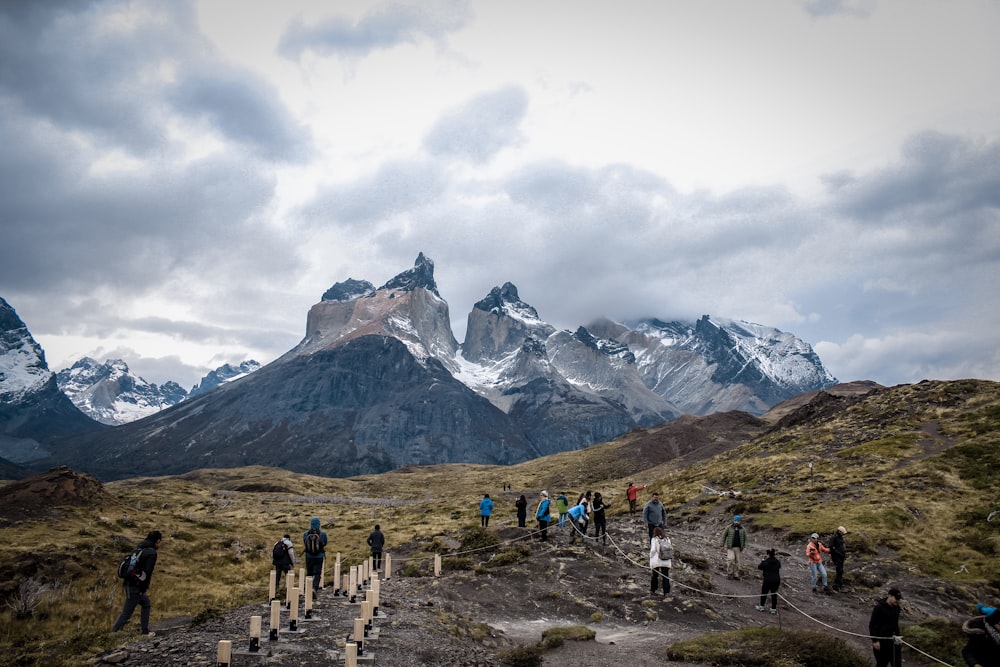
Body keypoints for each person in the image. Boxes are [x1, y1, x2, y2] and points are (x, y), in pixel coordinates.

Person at [112, 530, 162, 636]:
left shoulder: (139, 548)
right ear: (157, 541)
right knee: (127, 612)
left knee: (146, 603)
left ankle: (145, 630)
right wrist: (143, 589)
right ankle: (113, 633)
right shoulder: (151, 553)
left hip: (130, 583)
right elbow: (146, 573)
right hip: (135, 586)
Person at [869, 588, 903, 667]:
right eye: (896, 599)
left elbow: (895, 624)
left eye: (899, 599)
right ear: (889, 596)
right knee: (882, 664)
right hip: (882, 642)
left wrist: (898, 637)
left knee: (897, 664)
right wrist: (875, 641)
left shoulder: (897, 608)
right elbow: (873, 625)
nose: (897, 601)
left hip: (894, 641)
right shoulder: (879, 608)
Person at [302, 517, 328, 594]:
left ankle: (307, 589)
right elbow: (325, 543)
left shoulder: (306, 533)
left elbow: (305, 543)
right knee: (317, 573)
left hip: (308, 556)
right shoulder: (323, 533)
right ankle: (314, 588)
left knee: (309, 573)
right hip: (319, 556)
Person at [721, 515, 748, 579]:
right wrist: (722, 545)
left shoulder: (742, 529)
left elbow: (746, 539)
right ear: (733, 520)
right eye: (735, 520)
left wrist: (745, 547)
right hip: (730, 547)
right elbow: (723, 536)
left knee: (737, 561)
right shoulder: (729, 527)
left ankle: (736, 575)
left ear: (740, 521)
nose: (736, 522)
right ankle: (730, 573)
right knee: (731, 559)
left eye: (738, 521)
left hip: (738, 548)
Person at [755, 548, 781, 614]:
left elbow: (759, 567)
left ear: (768, 554)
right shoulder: (777, 562)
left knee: (764, 593)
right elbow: (779, 566)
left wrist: (763, 561)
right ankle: (773, 608)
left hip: (768, 580)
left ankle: (762, 606)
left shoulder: (766, 562)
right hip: (776, 580)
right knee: (774, 594)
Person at [649, 527, 672, 595]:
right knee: (665, 576)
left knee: (655, 575)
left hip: (657, 561)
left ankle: (653, 589)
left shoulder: (654, 539)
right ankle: (666, 591)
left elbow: (653, 550)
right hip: (666, 560)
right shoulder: (667, 539)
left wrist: (650, 557)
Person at [830, 526, 848, 591]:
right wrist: (838, 553)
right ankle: (836, 585)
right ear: (839, 531)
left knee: (840, 571)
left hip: (841, 556)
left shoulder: (840, 538)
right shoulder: (834, 538)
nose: (843, 534)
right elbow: (831, 547)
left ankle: (839, 585)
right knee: (839, 570)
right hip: (837, 557)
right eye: (843, 533)